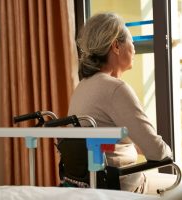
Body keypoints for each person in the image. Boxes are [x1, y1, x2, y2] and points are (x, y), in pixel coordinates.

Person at [67, 12, 174, 194]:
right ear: (116, 46)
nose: (134, 49)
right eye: (131, 43)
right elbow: (158, 153)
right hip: (122, 187)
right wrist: (165, 150)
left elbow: (104, 142)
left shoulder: (83, 87)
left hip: (89, 185)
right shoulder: (116, 89)